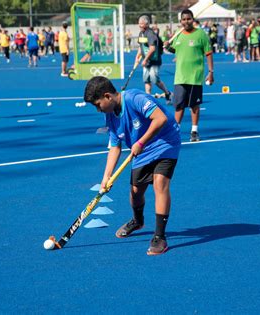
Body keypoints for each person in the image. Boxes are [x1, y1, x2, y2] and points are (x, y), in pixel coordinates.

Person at [83, 76, 181, 256]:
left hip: (165, 142)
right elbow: (115, 146)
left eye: (97, 104)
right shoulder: (110, 116)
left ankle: (159, 237)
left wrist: (141, 142)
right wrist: (106, 177)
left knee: (160, 183)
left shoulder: (134, 98)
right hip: (142, 150)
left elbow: (160, 119)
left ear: (107, 96)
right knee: (136, 192)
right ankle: (138, 221)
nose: (98, 109)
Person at [164, 9, 213, 142]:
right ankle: (175, 131)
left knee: (194, 106)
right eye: (184, 19)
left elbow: (208, 53)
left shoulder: (201, 34)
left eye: (189, 19)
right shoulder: (178, 35)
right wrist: (167, 47)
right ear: (180, 21)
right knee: (179, 106)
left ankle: (194, 131)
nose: (186, 21)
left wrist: (211, 72)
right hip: (180, 77)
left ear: (193, 19)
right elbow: (175, 50)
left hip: (195, 77)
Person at [136, 15, 172, 103]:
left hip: (154, 61)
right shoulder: (141, 33)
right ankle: (148, 98)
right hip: (147, 61)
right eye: (139, 23)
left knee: (155, 79)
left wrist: (145, 60)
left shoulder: (150, 34)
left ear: (147, 24)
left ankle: (167, 93)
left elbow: (152, 48)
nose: (140, 25)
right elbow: (141, 46)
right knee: (146, 80)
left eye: (141, 24)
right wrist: (137, 57)